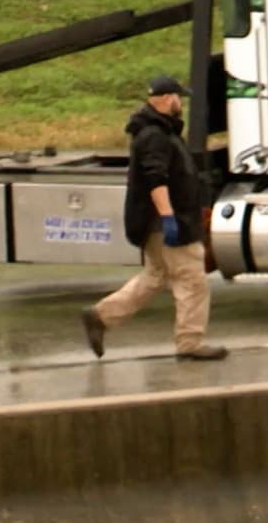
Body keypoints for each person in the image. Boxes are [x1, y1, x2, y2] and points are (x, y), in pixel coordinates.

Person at [80, 75, 228, 361]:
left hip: (162, 222)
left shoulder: (159, 131)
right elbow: (155, 179)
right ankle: (190, 342)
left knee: (155, 276)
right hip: (170, 223)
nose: (180, 103)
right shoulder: (155, 136)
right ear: (164, 98)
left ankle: (100, 316)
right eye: (177, 97)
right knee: (192, 280)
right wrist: (169, 217)